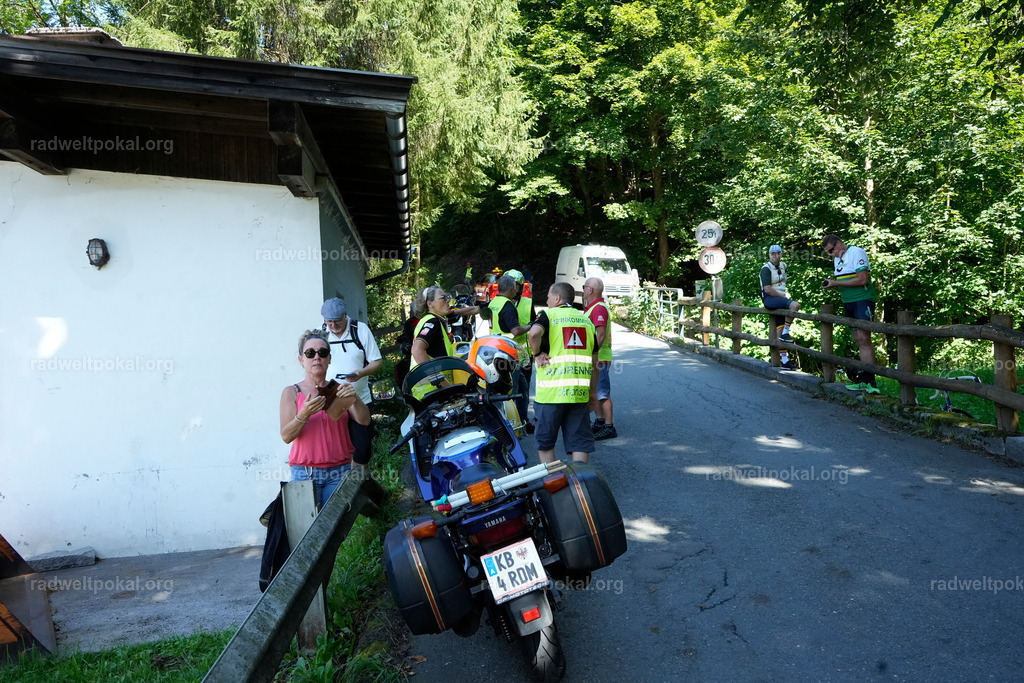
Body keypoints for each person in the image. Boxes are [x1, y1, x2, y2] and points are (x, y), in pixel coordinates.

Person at [279, 330, 371, 508]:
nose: (316, 357)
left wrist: (355, 397)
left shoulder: (338, 390)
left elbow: (365, 421)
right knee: (308, 531)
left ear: (329, 359)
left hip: (340, 472)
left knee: (335, 531)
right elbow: (286, 436)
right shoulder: (292, 392)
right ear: (301, 360)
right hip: (305, 473)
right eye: (310, 353)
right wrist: (304, 414)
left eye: (322, 353)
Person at [528, 282, 596, 464]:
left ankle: (556, 486)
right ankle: (580, 483)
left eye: (549, 297)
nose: (547, 300)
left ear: (557, 298)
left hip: (551, 395)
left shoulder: (548, 315)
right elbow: (595, 361)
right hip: (578, 395)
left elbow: (533, 334)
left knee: (546, 443)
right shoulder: (586, 320)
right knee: (579, 444)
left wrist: (536, 354)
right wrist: (592, 392)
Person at [321, 297, 382, 466]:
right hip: (331, 399)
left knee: (362, 450)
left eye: (336, 321)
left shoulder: (360, 330)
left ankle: (357, 483)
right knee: (334, 447)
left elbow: (377, 361)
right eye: (328, 321)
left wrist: (361, 373)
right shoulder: (321, 334)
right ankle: (341, 484)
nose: (332, 325)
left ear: (345, 315)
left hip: (360, 398)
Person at [822, 234, 880, 392]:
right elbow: (843, 280)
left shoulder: (857, 252)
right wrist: (832, 284)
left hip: (863, 299)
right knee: (858, 340)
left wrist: (836, 283)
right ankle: (864, 380)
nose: (832, 254)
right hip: (848, 301)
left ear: (840, 243)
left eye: (832, 250)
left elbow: (863, 280)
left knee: (864, 338)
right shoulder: (837, 258)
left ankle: (871, 381)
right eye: (828, 252)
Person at [409, 286, 479, 399]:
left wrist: (481, 309)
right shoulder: (433, 322)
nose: (447, 301)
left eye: (448, 297)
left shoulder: (432, 318)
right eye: (443, 298)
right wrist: (439, 380)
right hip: (432, 391)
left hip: (427, 389)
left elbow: (457, 312)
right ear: (430, 304)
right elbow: (417, 350)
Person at [488, 274, 534, 429]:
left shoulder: (494, 302)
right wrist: (529, 326)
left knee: (522, 388)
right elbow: (516, 330)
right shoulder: (507, 305)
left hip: (496, 351)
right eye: (516, 286)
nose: (517, 289)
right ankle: (511, 429)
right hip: (507, 355)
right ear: (511, 288)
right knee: (511, 393)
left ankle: (522, 422)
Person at [584, 277, 617, 439]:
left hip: (599, 358)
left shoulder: (598, 308)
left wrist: (592, 354)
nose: (583, 290)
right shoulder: (593, 307)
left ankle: (609, 426)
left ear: (590, 290)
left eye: (584, 287)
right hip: (597, 357)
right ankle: (600, 421)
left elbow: (601, 334)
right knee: (595, 390)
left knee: (602, 392)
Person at [505, 269, 537, 433]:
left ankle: (523, 419)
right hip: (504, 354)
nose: (514, 288)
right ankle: (509, 421)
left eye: (516, 285)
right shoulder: (501, 303)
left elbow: (535, 325)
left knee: (523, 390)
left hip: (524, 355)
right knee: (507, 389)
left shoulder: (527, 303)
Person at [759, 244, 801, 370]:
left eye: (778, 253)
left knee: (779, 330)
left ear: (781, 254)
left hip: (779, 298)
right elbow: (768, 289)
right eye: (773, 254)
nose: (775, 256)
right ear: (769, 255)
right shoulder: (765, 269)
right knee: (795, 305)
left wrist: (783, 296)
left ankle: (785, 361)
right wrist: (784, 299)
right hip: (770, 299)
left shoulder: (784, 266)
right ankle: (786, 334)